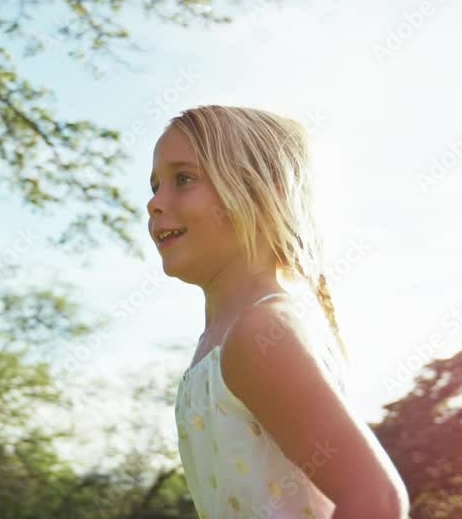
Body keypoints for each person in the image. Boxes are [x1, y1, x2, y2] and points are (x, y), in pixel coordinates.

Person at [147, 105, 410, 518]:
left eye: (184, 179)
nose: (155, 203)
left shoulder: (260, 331)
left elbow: (375, 499)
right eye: (154, 185)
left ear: (262, 192)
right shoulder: (229, 337)